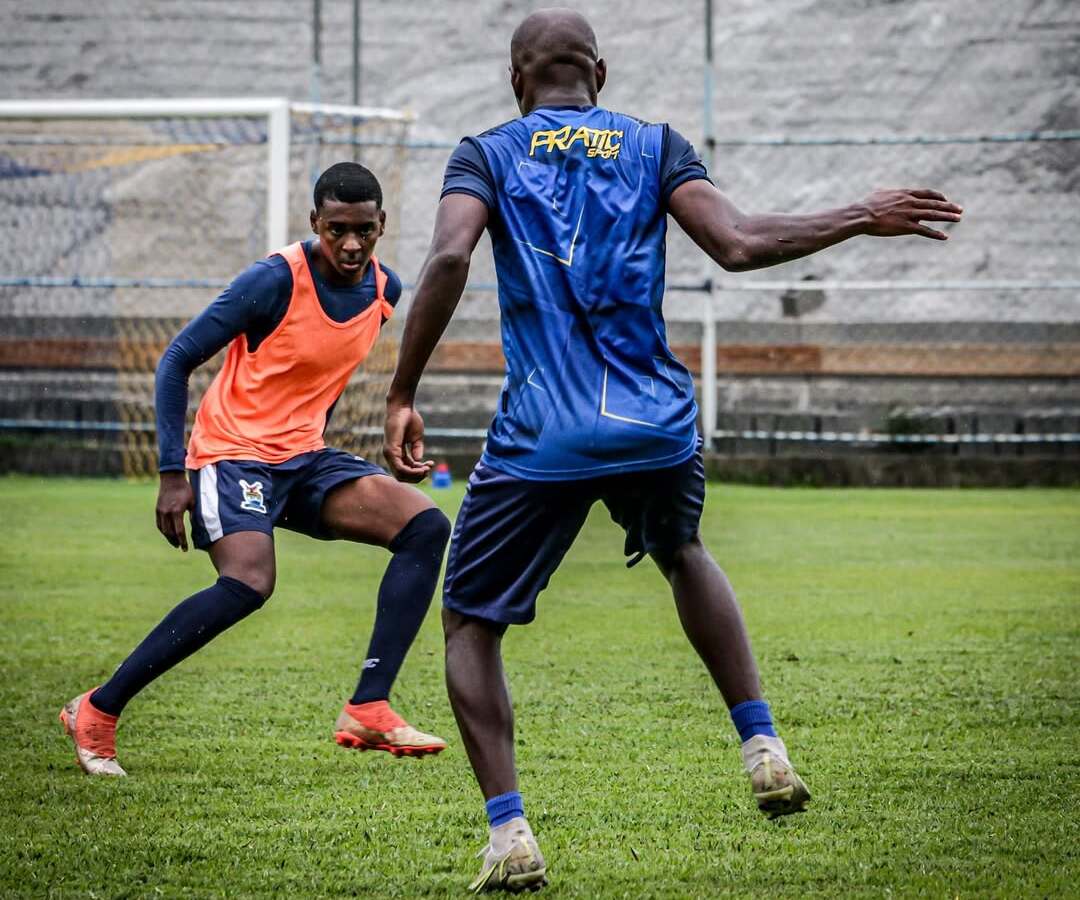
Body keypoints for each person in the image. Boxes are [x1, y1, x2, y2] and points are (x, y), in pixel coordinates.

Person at [384, 8, 963, 892]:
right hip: (658, 420)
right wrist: (859, 213)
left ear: (515, 80)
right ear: (600, 74)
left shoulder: (487, 154)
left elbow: (450, 258)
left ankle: (510, 836)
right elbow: (737, 243)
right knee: (682, 550)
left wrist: (402, 389)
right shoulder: (655, 145)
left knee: (469, 620)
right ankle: (761, 743)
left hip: (548, 430)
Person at [60, 162, 452, 777]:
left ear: (382, 225)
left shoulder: (385, 290)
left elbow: (316, 380)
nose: (351, 244)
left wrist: (398, 413)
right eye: (337, 229)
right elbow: (176, 360)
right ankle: (98, 709)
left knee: (425, 527)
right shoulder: (272, 280)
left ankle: (369, 705)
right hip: (232, 453)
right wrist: (171, 473)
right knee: (249, 583)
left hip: (304, 457)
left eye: (365, 231)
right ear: (314, 223)